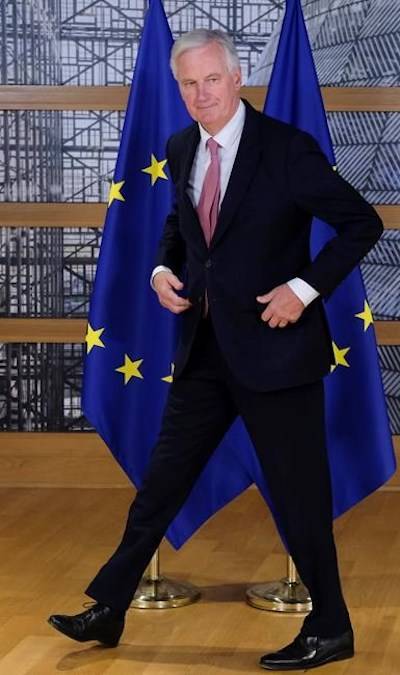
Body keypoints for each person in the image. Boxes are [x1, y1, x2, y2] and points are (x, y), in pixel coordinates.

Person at [48, 29, 383, 671]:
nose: (200, 94)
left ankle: (333, 625)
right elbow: (182, 228)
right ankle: (110, 606)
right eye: (187, 84)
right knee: (160, 484)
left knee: (300, 497)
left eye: (210, 80)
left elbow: (361, 222)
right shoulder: (180, 148)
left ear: (235, 80)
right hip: (204, 351)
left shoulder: (286, 149)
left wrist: (304, 288)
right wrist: (160, 270)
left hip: (277, 354)